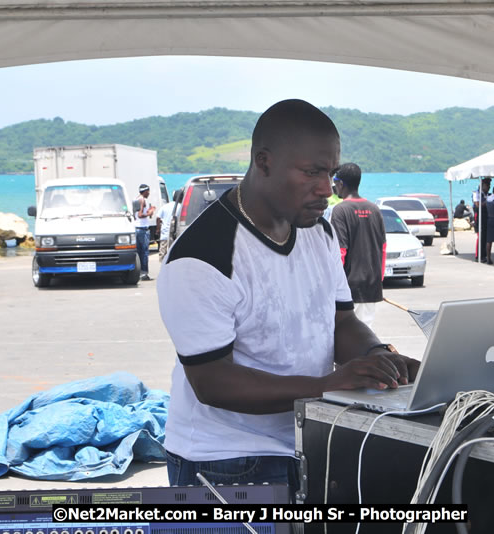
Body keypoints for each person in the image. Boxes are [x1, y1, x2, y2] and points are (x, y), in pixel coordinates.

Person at [156, 99, 419, 495]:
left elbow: (342, 321)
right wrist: (330, 384)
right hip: (222, 462)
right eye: (311, 173)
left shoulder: (320, 232)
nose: (326, 190)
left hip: (305, 439)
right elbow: (212, 381)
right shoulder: (203, 256)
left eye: (330, 173)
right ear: (264, 162)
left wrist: (377, 357)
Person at [329, 163, 386, 328]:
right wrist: (378, 279)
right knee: (365, 333)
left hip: (347, 287)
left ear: (340, 184)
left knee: (344, 335)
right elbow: (382, 248)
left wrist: (334, 285)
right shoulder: (374, 209)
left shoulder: (340, 210)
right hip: (370, 285)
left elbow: (340, 251)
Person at [135, 184, 156, 281]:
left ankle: (138, 272)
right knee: (144, 252)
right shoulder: (142, 200)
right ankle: (144, 273)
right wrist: (150, 213)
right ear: (145, 191)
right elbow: (140, 215)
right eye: (148, 191)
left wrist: (148, 211)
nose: (149, 193)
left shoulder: (136, 199)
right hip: (142, 228)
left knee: (138, 252)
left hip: (136, 228)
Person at [473, 178, 490, 262]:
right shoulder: (477, 193)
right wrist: (487, 202)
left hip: (486, 216)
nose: (489, 187)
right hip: (479, 215)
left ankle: (484, 254)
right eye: (487, 185)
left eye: (489, 185)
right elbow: (477, 205)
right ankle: (478, 255)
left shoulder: (487, 194)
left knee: (485, 236)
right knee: (480, 236)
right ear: (482, 185)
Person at [156, 197, 177, 261]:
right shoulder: (180, 206)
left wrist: (158, 229)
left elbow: (158, 218)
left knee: (163, 253)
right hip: (174, 234)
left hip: (164, 234)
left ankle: (162, 267)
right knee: (173, 253)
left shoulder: (165, 206)